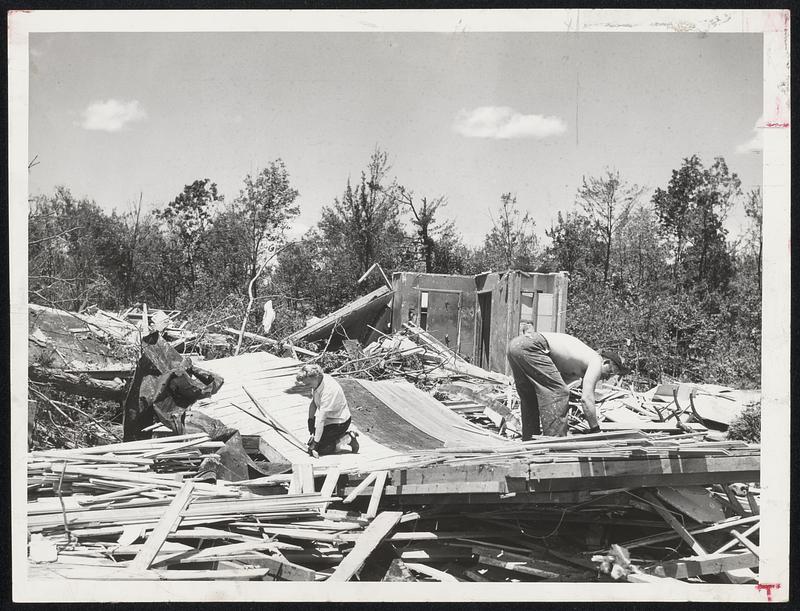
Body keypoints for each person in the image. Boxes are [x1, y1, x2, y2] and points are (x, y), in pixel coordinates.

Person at [506, 323, 630, 439]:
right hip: (532, 345)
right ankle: (555, 444)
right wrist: (596, 430)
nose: (607, 378)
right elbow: (586, 399)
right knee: (559, 393)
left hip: (516, 346)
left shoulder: (576, 365)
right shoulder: (596, 360)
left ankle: (530, 441)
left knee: (531, 397)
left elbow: (554, 390)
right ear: (606, 362)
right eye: (610, 372)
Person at [295, 364, 359, 456]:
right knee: (310, 444)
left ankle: (348, 438)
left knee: (322, 449)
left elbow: (321, 419)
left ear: (315, 378)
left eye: (308, 384)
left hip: (339, 422)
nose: (308, 386)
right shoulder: (317, 382)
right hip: (329, 420)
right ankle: (334, 439)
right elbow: (314, 403)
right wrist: (310, 420)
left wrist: (315, 444)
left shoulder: (329, 390)